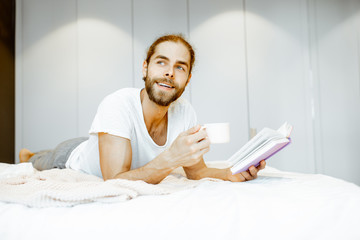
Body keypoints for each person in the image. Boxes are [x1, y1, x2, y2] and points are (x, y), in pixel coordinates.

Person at [20, 34, 266, 184]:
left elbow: (197, 171)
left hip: (105, 144)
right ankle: (29, 155)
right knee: (42, 158)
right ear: (145, 69)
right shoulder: (117, 104)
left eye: (180, 67)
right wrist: (171, 158)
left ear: (188, 79)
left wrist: (231, 173)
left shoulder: (185, 111)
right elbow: (114, 180)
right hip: (71, 156)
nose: (169, 72)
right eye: (162, 63)